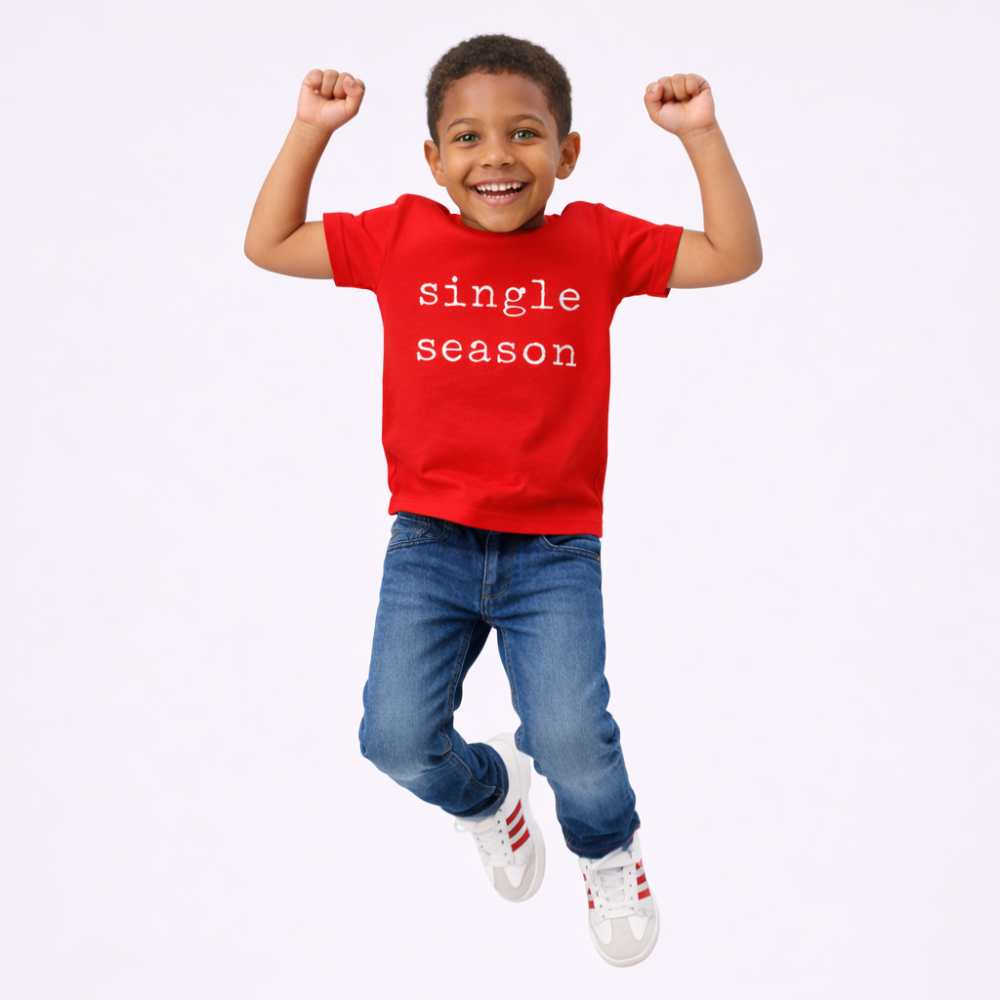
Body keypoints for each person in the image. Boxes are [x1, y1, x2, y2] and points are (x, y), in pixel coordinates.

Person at [244, 33, 762, 967]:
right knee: (395, 738)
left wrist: (702, 135)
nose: (496, 157)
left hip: (553, 551)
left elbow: (731, 255)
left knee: (573, 739)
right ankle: (488, 797)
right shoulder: (400, 234)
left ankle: (608, 852)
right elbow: (270, 243)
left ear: (566, 154)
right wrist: (311, 128)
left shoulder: (597, 241)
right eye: (468, 138)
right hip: (430, 543)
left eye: (525, 134)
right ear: (434, 159)